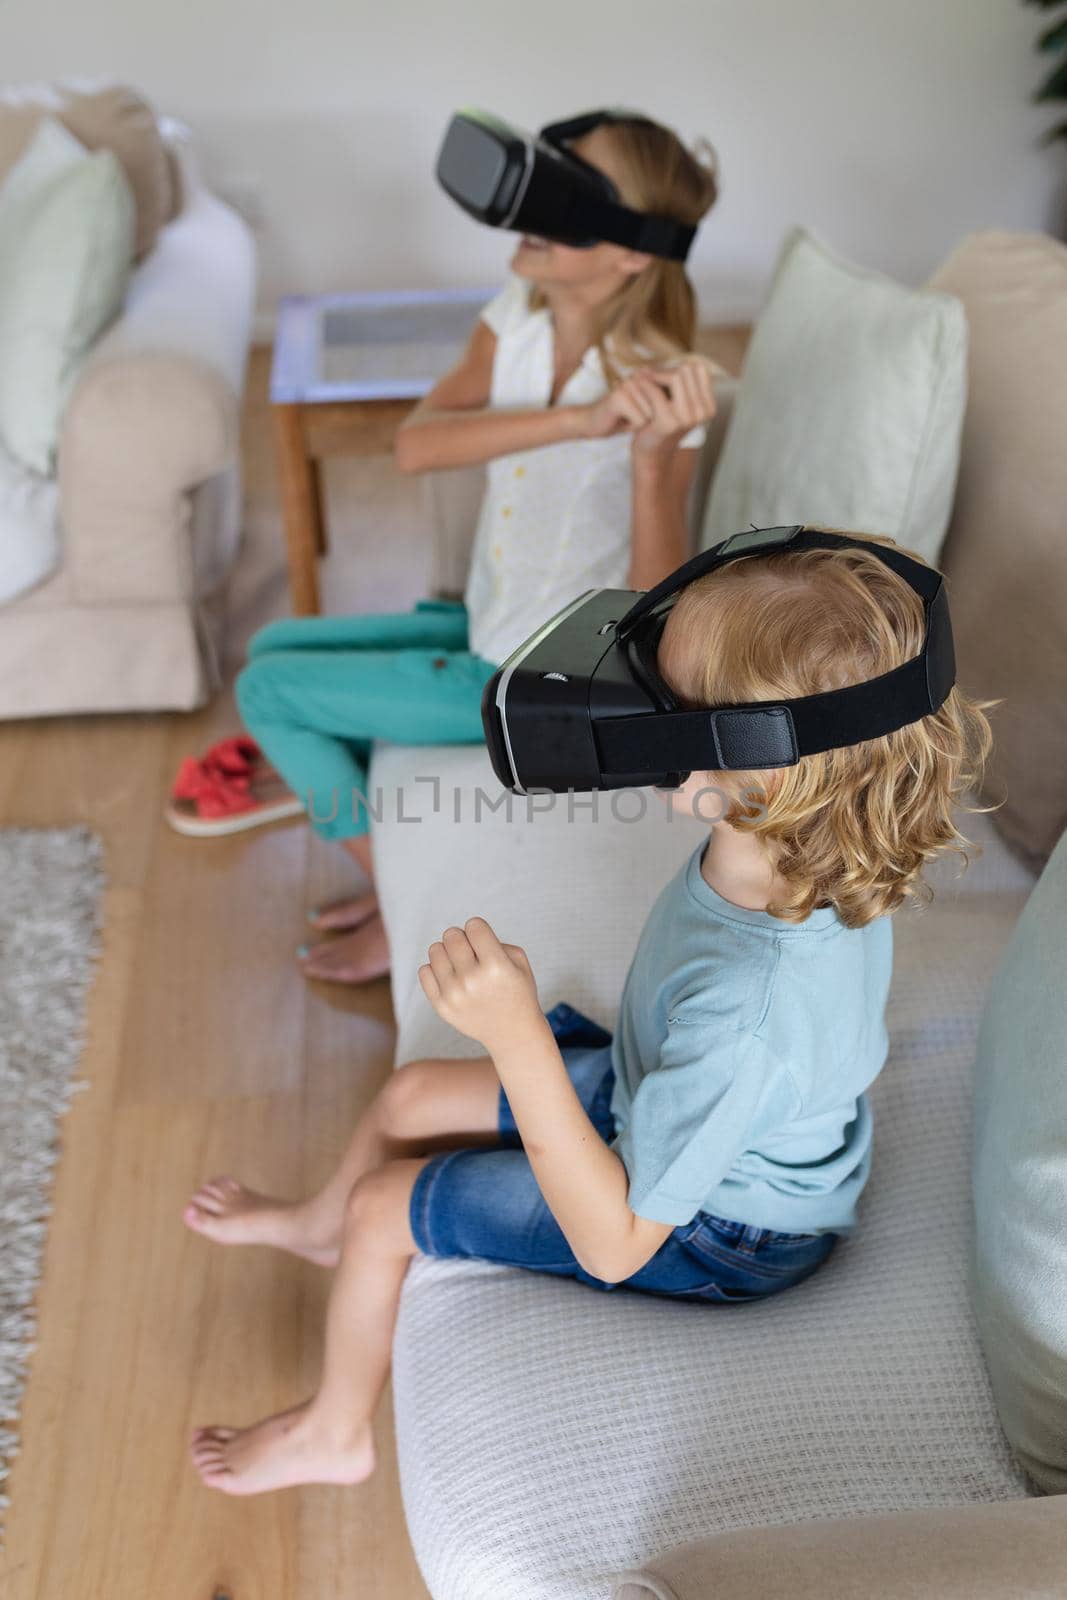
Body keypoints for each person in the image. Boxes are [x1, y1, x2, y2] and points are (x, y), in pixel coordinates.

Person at [183, 531, 993, 1495]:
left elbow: (616, 1245)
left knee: (382, 1209)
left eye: (666, 699)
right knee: (408, 1096)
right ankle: (318, 1227)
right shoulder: (809, 844)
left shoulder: (748, 1010)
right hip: (672, 1095)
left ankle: (333, 1430)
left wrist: (519, 1034)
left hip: (722, 1229)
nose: (636, 704)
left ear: (757, 770)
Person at [166, 111, 720, 986]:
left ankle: (397, 899)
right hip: (482, 622)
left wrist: (649, 459)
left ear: (632, 250)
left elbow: (654, 606)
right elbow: (415, 445)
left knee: (266, 690)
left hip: (539, 679)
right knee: (273, 645)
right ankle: (384, 852)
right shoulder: (516, 321)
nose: (533, 210)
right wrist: (578, 420)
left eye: (569, 197)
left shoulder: (668, 389)